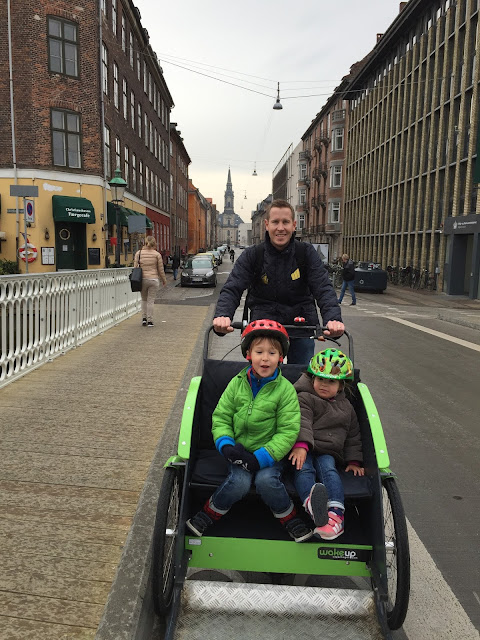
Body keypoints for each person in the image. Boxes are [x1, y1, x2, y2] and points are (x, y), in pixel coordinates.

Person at [186, 319, 313, 543]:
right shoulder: (236, 383)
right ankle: (208, 514)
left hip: (270, 454)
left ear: (281, 357)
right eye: (259, 351)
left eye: (272, 353)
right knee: (239, 482)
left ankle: (290, 518)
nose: (265, 358)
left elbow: (288, 430)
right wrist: (226, 446)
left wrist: (262, 457)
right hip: (238, 451)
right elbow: (222, 416)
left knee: (266, 481)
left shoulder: (285, 391)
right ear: (249, 355)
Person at [213, 199, 344, 364]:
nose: (280, 228)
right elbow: (233, 287)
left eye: (285, 222)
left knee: (301, 376)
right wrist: (223, 315)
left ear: (294, 225)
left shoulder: (306, 253)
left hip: (301, 325)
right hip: (264, 325)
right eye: (275, 222)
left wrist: (333, 318)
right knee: (264, 377)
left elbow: (323, 287)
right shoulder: (254, 255)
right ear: (267, 225)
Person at [288, 349, 364, 540]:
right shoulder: (304, 397)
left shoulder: (346, 407)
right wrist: (301, 445)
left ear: (340, 386)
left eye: (331, 381)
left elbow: (353, 435)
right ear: (312, 378)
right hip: (304, 448)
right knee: (302, 469)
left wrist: (354, 460)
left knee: (329, 470)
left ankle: (336, 515)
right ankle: (313, 506)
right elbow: (301, 421)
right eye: (320, 379)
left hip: (329, 450)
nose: (324, 385)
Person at [134, 235, 166, 327]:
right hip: (153, 279)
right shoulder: (157, 254)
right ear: (154, 243)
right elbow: (161, 269)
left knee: (144, 299)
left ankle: (144, 319)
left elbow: (135, 267)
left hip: (142, 279)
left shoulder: (138, 253)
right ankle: (150, 321)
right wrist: (164, 280)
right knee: (150, 301)